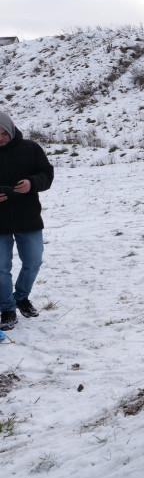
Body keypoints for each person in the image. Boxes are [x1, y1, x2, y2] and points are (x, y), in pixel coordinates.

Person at [0, 111, 54, 331]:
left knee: (33, 262)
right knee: (1, 269)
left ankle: (21, 297)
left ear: (10, 129)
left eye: (3, 132)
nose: (0, 137)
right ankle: (7, 308)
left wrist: (32, 183)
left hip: (28, 218)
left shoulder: (30, 148)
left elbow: (47, 174)